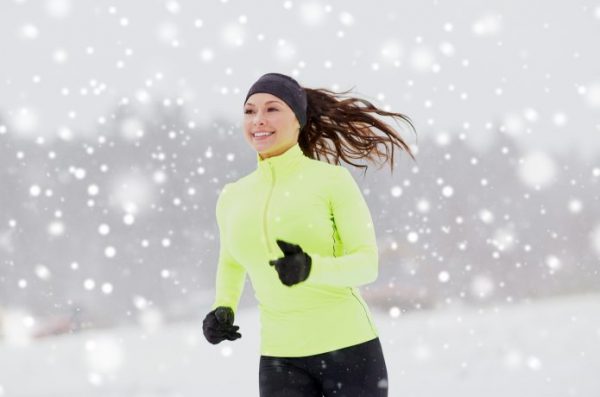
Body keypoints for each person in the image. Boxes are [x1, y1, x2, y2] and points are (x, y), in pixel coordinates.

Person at [202, 72, 417, 396]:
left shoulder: (332, 181)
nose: (258, 120)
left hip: (350, 351)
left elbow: (366, 264)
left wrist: (311, 268)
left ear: (298, 119)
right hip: (280, 359)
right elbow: (231, 261)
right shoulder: (233, 196)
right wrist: (223, 307)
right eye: (250, 111)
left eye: (272, 109)